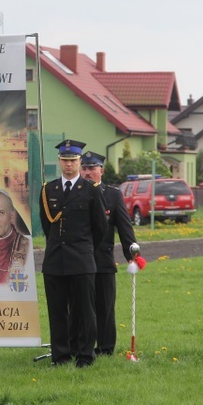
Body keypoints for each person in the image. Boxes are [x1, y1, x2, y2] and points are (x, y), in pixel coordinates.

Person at [39, 140, 107, 368]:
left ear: (79, 162)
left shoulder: (90, 190)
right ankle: (60, 355)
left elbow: (100, 228)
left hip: (81, 258)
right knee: (57, 310)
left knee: (85, 311)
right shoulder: (49, 190)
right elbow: (48, 227)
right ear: (59, 162)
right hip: (55, 259)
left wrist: (84, 248)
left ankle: (85, 355)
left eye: (73, 160)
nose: (69, 165)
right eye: (65, 160)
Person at [77, 151, 139, 356]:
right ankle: (81, 346)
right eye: (84, 168)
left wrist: (132, 253)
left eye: (92, 168)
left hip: (102, 260)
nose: (87, 172)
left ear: (101, 170)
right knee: (80, 308)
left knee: (104, 308)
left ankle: (104, 348)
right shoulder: (74, 192)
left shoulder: (112, 195)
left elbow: (124, 227)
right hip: (78, 259)